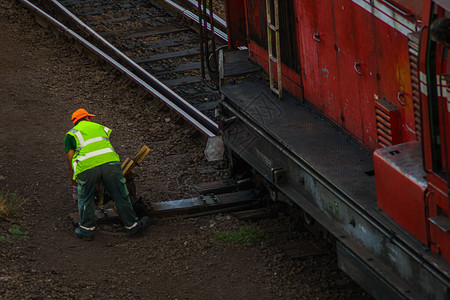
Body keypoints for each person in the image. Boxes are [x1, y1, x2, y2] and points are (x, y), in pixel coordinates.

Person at [65, 108, 149, 240]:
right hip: (110, 164)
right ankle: (133, 227)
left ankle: (86, 231)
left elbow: (71, 163)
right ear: (87, 118)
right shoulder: (100, 128)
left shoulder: (70, 135)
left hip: (87, 168)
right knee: (120, 195)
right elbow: (102, 149)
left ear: (75, 122)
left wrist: (75, 186)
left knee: (85, 197)